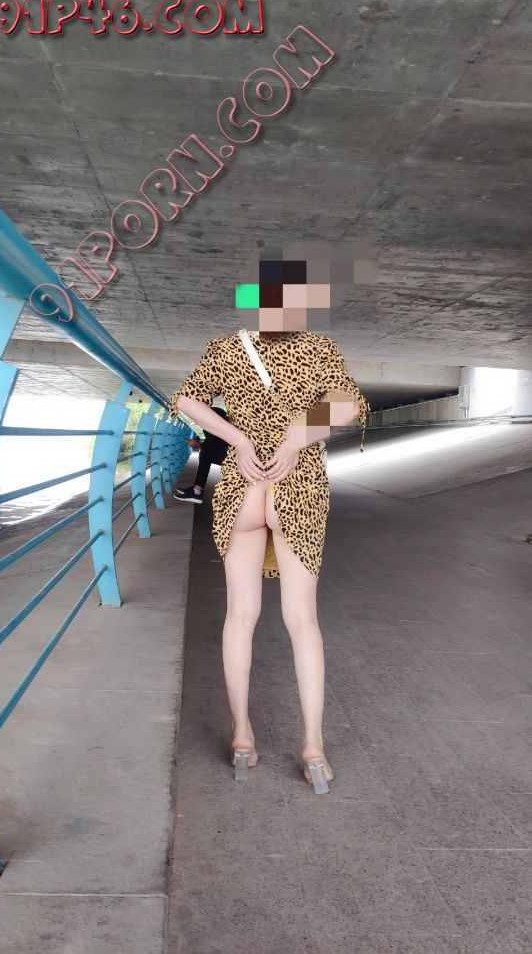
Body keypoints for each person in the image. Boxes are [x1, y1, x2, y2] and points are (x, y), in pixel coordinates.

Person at [168, 258, 370, 794]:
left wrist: (237, 440)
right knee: (302, 621)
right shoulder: (319, 348)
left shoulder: (227, 348)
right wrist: (296, 439)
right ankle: (313, 749)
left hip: (243, 485)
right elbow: (349, 405)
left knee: (240, 616)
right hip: (297, 485)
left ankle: (242, 738)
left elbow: (186, 399)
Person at [174, 404, 230, 503]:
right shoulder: (218, 419)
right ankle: (197, 489)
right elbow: (213, 441)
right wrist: (199, 444)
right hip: (229, 453)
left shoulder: (212, 421)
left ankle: (197, 492)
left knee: (205, 454)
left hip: (230, 457)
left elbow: (211, 444)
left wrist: (197, 445)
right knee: (205, 454)